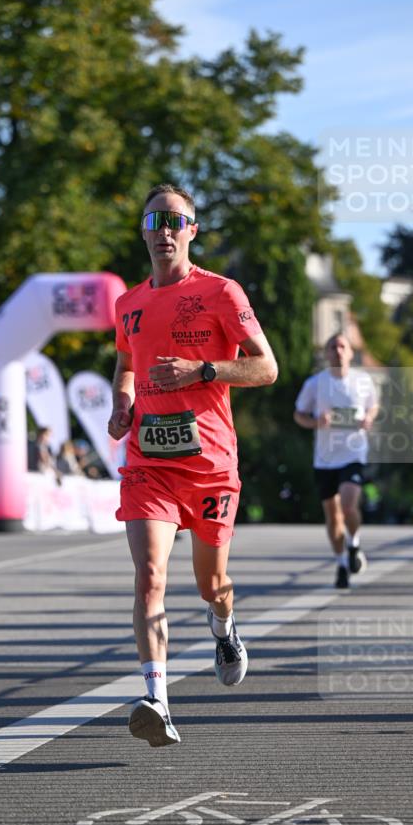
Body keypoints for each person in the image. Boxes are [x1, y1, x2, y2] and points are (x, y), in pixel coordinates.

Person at [107, 183, 278, 747]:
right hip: (149, 464)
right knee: (150, 576)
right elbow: (126, 366)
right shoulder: (127, 304)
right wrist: (122, 404)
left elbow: (266, 369)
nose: (163, 230)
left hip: (208, 463)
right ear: (142, 230)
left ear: (192, 231)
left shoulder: (222, 293)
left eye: (174, 221)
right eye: (153, 219)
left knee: (211, 585)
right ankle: (157, 699)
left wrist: (202, 371)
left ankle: (224, 627)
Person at [294, 332, 379, 589]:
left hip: (353, 454)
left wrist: (369, 419)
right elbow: (299, 414)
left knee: (349, 506)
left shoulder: (363, 380)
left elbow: (373, 406)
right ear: (327, 353)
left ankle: (353, 543)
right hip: (325, 458)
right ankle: (342, 563)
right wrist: (315, 422)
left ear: (351, 352)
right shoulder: (315, 383)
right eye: (333, 346)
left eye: (343, 346)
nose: (338, 350)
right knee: (332, 517)